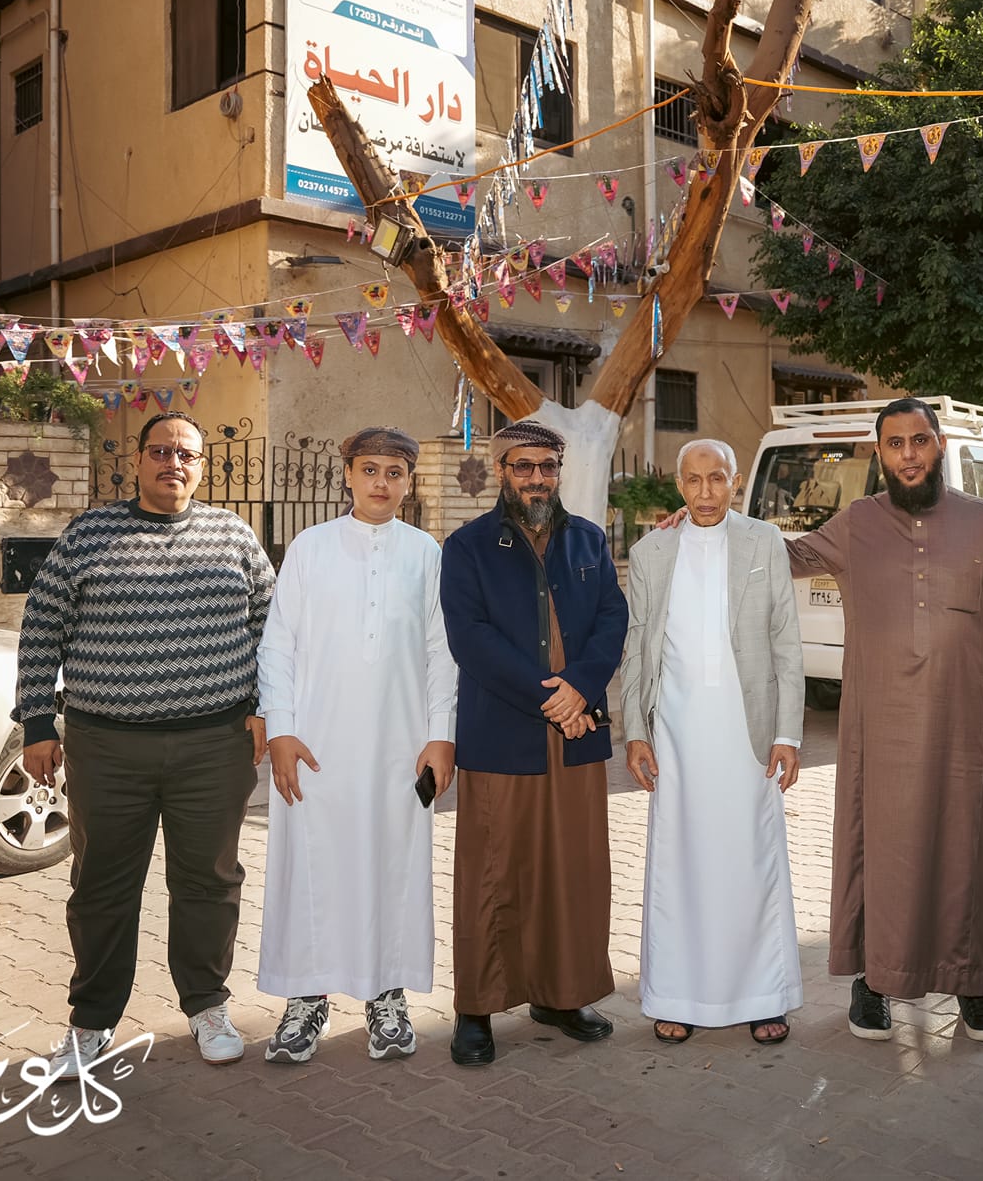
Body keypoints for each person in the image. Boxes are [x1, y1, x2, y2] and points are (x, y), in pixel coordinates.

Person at [15, 411, 275, 1077]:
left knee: (209, 881)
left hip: (214, 744)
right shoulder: (89, 535)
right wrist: (37, 723)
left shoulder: (234, 536)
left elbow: (272, 628)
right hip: (109, 747)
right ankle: (91, 1019)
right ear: (137, 460)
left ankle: (207, 1005)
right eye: (160, 451)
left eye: (186, 454)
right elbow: (42, 626)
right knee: (101, 885)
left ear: (202, 466)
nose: (173, 463)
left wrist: (267, 709)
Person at [781, 397, 983, 1043]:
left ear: (939, 444)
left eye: (919, 440)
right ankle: (874, 982)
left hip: (966, 724)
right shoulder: (857, 522)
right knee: (880, 849)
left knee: (969, 847)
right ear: (879, 453)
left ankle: (975, 984)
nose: (908, 454)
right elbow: (783, 555)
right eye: (895, 443)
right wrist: (709, 524)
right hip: (879, 727)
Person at [254, 427, 456, 1065]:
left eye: (394, 472)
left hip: (400, 744)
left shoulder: (426, 553)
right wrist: (280, 728)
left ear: (409, 482)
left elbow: (441, 652)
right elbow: (278, 643)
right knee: (310, 866)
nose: (381, 483)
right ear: (347, 474)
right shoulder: (310, 547)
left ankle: (386, 995)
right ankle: (304, 999)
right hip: (315, 743)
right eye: (369, 469)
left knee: (392, 864)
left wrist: (441, 736)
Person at [439, 418, 629, 1066]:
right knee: (494, 872)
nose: (537, 478)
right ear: (502, 471)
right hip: (505, 731)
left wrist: (581, 688)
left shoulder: (588, 539)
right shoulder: (468, 545)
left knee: (572, 869)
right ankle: (476, 1007)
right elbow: (470, 638)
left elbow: (612, 618)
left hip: (577, 734)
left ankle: (563, 994)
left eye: (547, 466)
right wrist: (553, 698)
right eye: (524, 466)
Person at [621, 439, 805, 1046]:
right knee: (679, 864)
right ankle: (677, 996)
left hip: (748, 733)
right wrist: (636, 731)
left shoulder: (764, 541)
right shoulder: (650, 552)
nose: (705, 492)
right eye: (694, 481)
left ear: (735, 481)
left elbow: (786, 641)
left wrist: (787, 733)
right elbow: (637, 647)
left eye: (717, 479)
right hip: (676, 734)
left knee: (752, 860)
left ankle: (763, 997)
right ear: (679, 485)